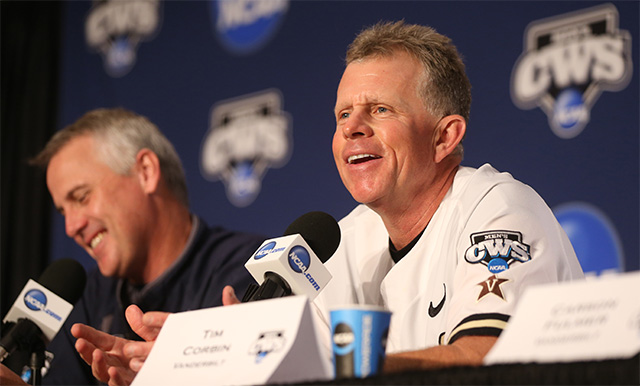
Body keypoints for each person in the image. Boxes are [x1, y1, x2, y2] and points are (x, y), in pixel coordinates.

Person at [66, 20, 584, 384]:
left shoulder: (498, 209)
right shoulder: (341, 241)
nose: (353, 128)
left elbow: (486, 359)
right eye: (342, 115)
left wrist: (342, 364)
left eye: (380, 109)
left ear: (445, 137)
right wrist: (193, 364)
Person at [7, 108, 265, 385]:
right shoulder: (87, 296)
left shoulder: (252, 271)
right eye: (63, 212)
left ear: (145, 172)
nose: (71, 228)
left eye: (81, 198)